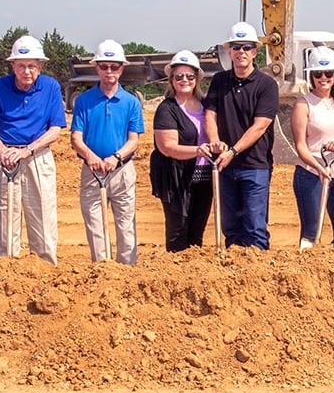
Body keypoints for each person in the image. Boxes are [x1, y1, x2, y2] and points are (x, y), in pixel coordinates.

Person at [0, 34, 67, 264]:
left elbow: (56, 129)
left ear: (40, 66)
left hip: (37, 156)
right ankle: (6, 269)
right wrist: (2, 150)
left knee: (43, 218)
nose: (27, 71)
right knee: (5, 219)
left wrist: (27, 150)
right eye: (21, 66)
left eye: (32, 66)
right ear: (12, 66)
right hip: (6, 157)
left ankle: (47, 268)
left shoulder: (50, 87)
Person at [204, 21, 279, 249]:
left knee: (254, 227)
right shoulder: (220, 81)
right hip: (225, 166)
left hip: (254, 166)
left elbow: (260, 125)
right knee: (231, 228)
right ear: (229, 51)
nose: (241, 52)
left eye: (246, 47)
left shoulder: (267, 85)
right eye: (236, 47)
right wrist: (215, 142)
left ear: (255, 51)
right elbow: (210, 115)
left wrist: (233, 151)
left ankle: (257, 277)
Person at [70, 39, 143, 264]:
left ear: (122, 68)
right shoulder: (84, 101)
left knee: (126, 226)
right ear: (97, 67)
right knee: (95, 226)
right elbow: (76, 138)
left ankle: (127, 272)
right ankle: (102, 271)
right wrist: (91, 157)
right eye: (104, 66)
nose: (109, 71)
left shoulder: (131, 102)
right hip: (92, 171)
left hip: (122, 170)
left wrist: (116, 157)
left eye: (114, 66)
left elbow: (134, 140)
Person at [290, 45, 334, 249]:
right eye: (318, 73)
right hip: (311, 174)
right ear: (311, 75)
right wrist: (318, 167)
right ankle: (308, 273)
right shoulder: (303, 104)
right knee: (311, 233)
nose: (323, 77)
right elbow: (301, 146)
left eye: (328, 72)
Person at [150, 50, 214, 252]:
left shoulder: (206, 106)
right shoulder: (167, 109)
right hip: (176, 178)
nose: (184, 80)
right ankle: (176, 271)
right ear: (171, 79)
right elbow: (167, 147)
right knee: (178, 231)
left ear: (197, 79)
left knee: (197, 232)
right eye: (179, 76)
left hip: (203, 176)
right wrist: (198, 150)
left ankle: (193, 272)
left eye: (189, 76)